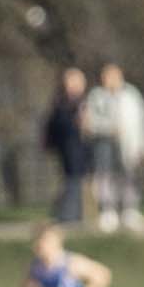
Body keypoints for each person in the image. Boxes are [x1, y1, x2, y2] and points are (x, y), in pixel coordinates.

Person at [84, 65, 144, 233]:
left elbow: (142, 121)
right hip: (104, 142)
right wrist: (109, 128)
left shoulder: (131, 95)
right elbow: (90, 121)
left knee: (128, 176)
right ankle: (108, 211)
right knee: (105, 176)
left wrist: (143, 144)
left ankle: (130, 210)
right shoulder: (96, 96)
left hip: (128, 143)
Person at [43, 68, 94, 228]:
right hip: (68, 147)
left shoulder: (84, 101)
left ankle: (74, 214)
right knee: (71, 181)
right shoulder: (61, 102)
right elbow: (55, 125)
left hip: (81, 147)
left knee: (78, 181)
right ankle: (68, 214)